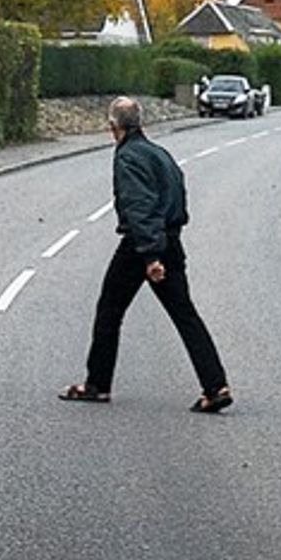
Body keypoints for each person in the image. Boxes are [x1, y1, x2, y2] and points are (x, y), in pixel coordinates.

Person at [59, 97, 233, 413]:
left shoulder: (127, 157)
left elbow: (139, 205)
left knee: (109, 310)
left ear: (114, 127)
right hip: (171, 239)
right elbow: (178, 194)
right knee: (185, 315)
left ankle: (97, 384)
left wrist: (151, 256)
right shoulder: (160, 153)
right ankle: (215, 385)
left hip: (141, 246)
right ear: (141, 123)